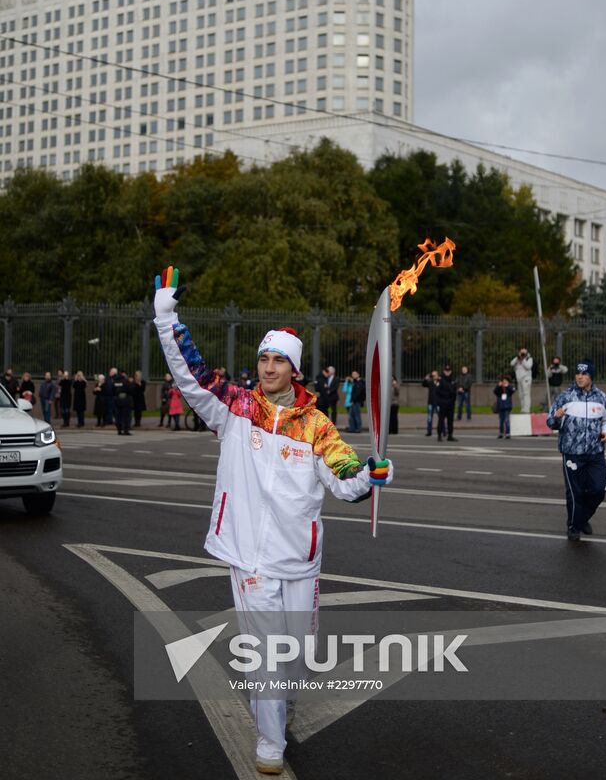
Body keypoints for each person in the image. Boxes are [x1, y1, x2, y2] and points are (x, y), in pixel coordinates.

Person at [153, 267, 394, 775]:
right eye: (263, 357)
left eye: (277, 359)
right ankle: (269, 743)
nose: (267, 367)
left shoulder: (317, 426)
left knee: (296, 657)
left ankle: (279, 705)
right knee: (266, 654)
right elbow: (189, 373)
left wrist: (371, 474)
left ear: (295, 369)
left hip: (300, 560)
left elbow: (345, 478)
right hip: (249, 557)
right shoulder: (234, 408)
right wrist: (166, 316)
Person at [547, 359, 606, 541]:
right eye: (578, 373)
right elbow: (550, 422)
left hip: (595, 454)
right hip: (572, 453)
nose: (580, 376)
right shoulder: (565, 397)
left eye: (584, 374)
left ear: (591, 376)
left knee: (599, 490)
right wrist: (556, 417)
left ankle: (581, 517)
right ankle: (574, 527)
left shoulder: (602, 398)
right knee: (574, 492)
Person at [436, 363, 457, 442]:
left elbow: (454, 392)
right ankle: (439, 435)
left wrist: (453, 400)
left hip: (451, 403)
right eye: (446, 371)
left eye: (449, 371)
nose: (447, 372)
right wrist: (440, 402)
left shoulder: (453, 380)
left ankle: (450, 435)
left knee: (450, 420)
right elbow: (437, 392)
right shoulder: (440, 380)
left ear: (451, 371)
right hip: (443, 403)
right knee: (441, 420)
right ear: (444, 371)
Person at [510, 348, 534, 414]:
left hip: (526, 378)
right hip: (519, 379)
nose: (522, 353)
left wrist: (523, 359)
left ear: (527, 353)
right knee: (521, 395)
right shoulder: (517, 359)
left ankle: (527, 409)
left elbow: (528, 367)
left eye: (524, 352)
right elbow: (511, 364)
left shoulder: (529, 359)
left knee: (526, 394)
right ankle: (523, 409)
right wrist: (517, 357)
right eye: (521, 352)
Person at [112, 369, 133, 436]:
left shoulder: (115, 381)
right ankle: (125, 430)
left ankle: (119, 430)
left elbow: (112, 390)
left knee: (118, 416)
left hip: (117, 400)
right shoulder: (126, 381)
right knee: (126, 416)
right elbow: (130, 390)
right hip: (126, 401)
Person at [422, 370, 440, 436]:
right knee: (429, 418)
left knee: (440, 417)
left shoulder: (440, 381)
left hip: (438, 402)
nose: (433, 376)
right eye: (432, 375)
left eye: (435, 375)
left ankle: (443, 431)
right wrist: (425, 379)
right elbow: (423, 385)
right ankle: (429, 431)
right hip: (431, 402)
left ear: (437, 375)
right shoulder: (430, 382)